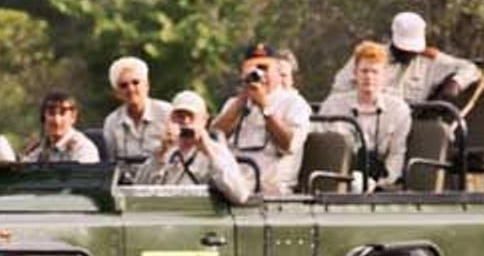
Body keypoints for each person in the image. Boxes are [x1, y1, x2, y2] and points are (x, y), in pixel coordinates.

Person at [211, 43, 311, 196]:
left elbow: (288, 144)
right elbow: (213, 138)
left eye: (264, 68)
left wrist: (264, 105)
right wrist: (242, 100)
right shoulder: (233, 104)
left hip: (271, 195)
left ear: (278, 73)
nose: (258, 74)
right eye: (251, 69)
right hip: (231, 189)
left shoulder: (294, 103)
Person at [328, 11, 479, 103]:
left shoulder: (429, 60)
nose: (408, 53)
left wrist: (455, 83)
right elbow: (339, 90)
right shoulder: (370, 55)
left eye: (412, 50)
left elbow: (471, 69)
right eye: (403, 49)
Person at [319, 41, 411, 190]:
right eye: (364, 71)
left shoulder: (399, 110)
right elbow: (322, 150)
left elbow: (397, 155)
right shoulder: (333, 105)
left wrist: (381, 185)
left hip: (380, 185)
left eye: (375, 72)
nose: (369, 77)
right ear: (355, 73)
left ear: (384, 75)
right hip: (337, 179)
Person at [134, 91, 250, 205]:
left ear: (204, 120)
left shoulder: (217, 152)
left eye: (191, 116)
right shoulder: (163, 150)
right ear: (171, 119)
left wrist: (209, 152)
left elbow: (239, 195)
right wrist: (161, 154)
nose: (185, 122)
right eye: (180, 116)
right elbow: (136, 193)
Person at [101, 56, 170, 163]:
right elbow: (111, 162)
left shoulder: (167, 113)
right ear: (117, 93)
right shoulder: (112, 122)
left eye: (136, 82)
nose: (131, 89)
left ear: (147, 85)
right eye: (123, 85)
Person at [19, 91, 100, 163]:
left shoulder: (83, 149)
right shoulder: (37, 150)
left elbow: (82, 179)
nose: (57, 120)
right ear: (43, 117)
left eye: (62, 113)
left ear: (73, 117)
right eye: (51, 113)